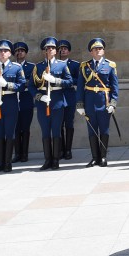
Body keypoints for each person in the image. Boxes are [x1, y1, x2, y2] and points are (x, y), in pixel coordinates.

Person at [31, 37, 73, 170]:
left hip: (57, 102)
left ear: (56, 51)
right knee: (45, 132)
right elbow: (31, 86)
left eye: (53, 48)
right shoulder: (38, 67)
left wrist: (55, 80)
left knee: (56, 131)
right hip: (43, 103)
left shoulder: (62, 65)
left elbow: (69, 82)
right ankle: (47, 160)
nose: (50, 50)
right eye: (48, 48)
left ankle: (55, 160)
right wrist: (39, 96)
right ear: (44, 51)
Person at [0, 40, 27, 173]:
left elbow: (21, 86)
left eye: (5, 51)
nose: (2, 53)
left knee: (9, 133)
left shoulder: (16, 67)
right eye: (0, 51)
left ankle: (8, 163)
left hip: (10, 103)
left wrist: (7, 84)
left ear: (10, 53)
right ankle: (0, 163)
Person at [76, 38, 118, 167]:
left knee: (104, 130)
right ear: (91, 52)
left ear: (103, 51)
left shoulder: (110, 65)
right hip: (89, 102)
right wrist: (80, 105)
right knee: (92, 130)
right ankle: (95, 157)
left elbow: (114, 86)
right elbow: (80, 86)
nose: (98, 51)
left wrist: (113, 103)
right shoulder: (84, 66)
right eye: (95, 49)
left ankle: (103, 157)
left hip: (104, 102)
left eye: (100, 49)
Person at [12, 41, 35, 163]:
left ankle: (25, 154)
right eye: (17, 51)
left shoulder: (31, 67)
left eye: (21, 51)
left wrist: (21, 83)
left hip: (26, 99)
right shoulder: (11, 67)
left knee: (25, 128)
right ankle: (17, 154)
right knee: (16, 128)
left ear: (25, 53)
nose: (19, 53)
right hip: (13, 100)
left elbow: (32, 81)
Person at [58, 39, 79, 160]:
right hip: (58, 96)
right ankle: (61, 149)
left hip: (70, 96)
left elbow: (79, 79)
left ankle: (68, 150)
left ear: (69, 51)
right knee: (59, 124)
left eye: (65, 48)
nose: (63, 50)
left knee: (69, 123)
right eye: (61, 49)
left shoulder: (74, 65)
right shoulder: (53, 64)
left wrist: (67, 82)